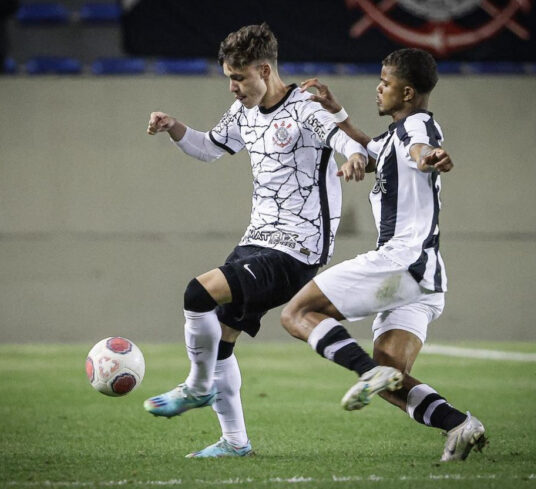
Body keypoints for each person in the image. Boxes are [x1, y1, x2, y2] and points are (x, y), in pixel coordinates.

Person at [144, 23, 369, 458]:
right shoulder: (243, 112)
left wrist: (356, 154)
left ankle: (197, 387)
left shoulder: (305, 108)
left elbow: (342, 138)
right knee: (221, 342)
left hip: (296, 249)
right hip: (256, 242)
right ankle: (235, 443)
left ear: (264, 70)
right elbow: (208, 147)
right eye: (229, 78)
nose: (232, 87)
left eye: (238, 78)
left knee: (197, 293)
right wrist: (173, 126)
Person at [280, 48, 487, 462]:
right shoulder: (394, 134)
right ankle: (460, 425)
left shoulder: (416, 125)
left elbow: (420, 149)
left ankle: (366, 372)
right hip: (425, 279)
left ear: (407, 92)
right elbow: (370, 149)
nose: (378, 88)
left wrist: (430, 157)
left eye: (385, 82)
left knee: (296, 313)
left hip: (400, 261)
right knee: (393, 378)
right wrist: (337, 111)